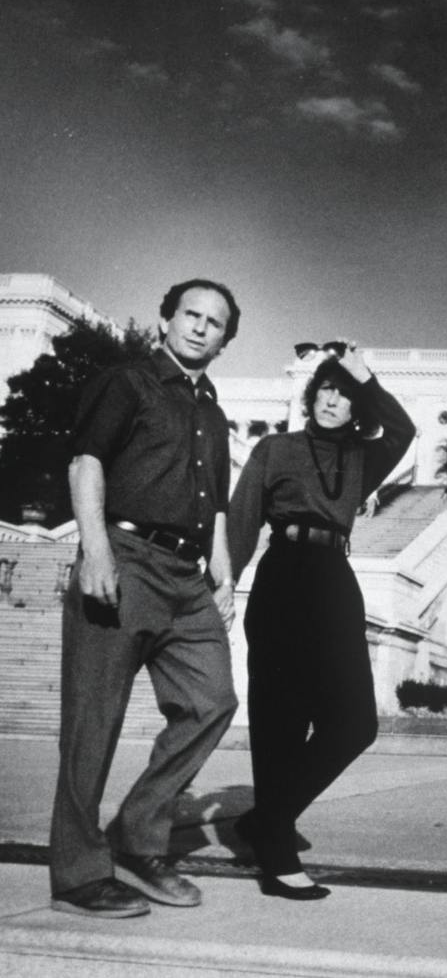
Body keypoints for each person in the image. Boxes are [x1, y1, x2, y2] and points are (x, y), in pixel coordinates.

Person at [50, 279, 242, 918]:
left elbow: (214, 501)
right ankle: (79, 877)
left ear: (223, 340)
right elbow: (86, 462)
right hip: (125, 559)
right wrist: (95, 548)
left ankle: (136, 837)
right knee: (92, 725)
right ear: (166, 319)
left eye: (214, 323)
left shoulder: (213, 412)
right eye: (191, 314)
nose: (199, 327)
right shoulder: (128, 383)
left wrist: (225, 572)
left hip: (187, 581)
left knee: (212, 701)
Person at [227, 342, 414, 900]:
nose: (335, 399)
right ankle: (278, 852)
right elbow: (241, 521)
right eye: (328, 389)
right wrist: (222, 587)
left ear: (358, 406)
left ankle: (267, 818)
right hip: (283, 574)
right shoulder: (273, 448)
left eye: (346, 393)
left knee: (355, 723)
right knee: (279, 720)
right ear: (313, 395)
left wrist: (367, 377)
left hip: (334, 580)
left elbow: (403, 433)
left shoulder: (363, 457)